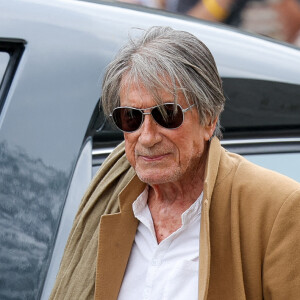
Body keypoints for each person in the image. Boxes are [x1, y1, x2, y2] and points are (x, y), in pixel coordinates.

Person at [50, 26, 300, 300]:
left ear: (209, 119)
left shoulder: (278, 208)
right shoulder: (109, 197)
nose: (146, 137)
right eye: (131, 117)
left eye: (167, 114)